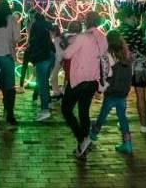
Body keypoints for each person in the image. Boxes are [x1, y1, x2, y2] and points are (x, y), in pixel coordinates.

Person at [62, 11, 108, 158]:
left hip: (79, 80)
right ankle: (82, 145)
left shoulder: (82, 37)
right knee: (84, 112)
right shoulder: (102, 37)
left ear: (87, 22)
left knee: (66, 109)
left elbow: (66, 54)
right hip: (93, 80)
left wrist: (69, 44)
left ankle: (82, 138)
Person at [88, 30, 134, 154]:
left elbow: (105, 73)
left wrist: (100, 88)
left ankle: (93, 135)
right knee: (122, 118)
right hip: (123, 91)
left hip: (111, 91)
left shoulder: (108, 55)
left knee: (102, 115)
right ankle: (128, 143)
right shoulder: (127, 55)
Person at [118, 7, 146, 133]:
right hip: (138, 68)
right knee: (140, 95)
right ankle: (144, 125)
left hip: (121, 68)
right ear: (129, 18)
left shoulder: (116, 31)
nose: (135, 20)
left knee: (122, 96)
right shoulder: (134, 32)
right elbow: (143, 49)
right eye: (134, 18)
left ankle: (121, 121)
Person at [24, 8, 56, 121]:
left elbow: (33, 42)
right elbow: (54, 33)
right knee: (45, 82)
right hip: (51, 55)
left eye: (31, 17)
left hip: (42, 56)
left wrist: (33, 57)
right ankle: (47, 104)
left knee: (42, 84)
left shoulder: (35, 25)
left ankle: (44, 110)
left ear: (34, 18)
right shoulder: (47, 24)